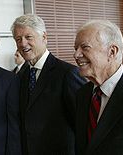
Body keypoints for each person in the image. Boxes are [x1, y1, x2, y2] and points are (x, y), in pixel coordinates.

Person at [10, 14, 86, 155]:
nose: (22, 44)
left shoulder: (67, 73)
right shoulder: (21, 75)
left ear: (44, 37)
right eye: (18, 39)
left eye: (28, 37)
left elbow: (82, 124)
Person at [74, 19, 123, 155]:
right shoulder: (82, 94)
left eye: (85, 47)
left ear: (112, 52)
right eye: (76, 48)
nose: (76, 55)